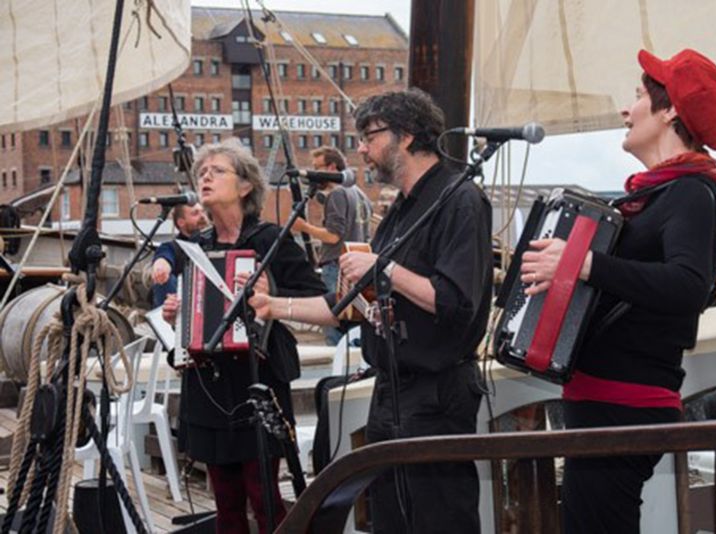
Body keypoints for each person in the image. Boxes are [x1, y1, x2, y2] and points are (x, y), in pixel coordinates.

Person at [247, 88, 493, 533]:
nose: (361, 148)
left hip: (436, 395)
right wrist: (273, 306)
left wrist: (384, 267)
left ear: (408, 135)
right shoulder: (401, 210)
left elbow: (455, 301)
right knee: (391, 520)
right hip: (391, 392)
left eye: (370, 135)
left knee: (440, 520)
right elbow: (348, 309)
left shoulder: (460, 200)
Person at [520, 49, 716, 533]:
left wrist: (581, 264)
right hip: (603, 403)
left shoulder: (690, 193)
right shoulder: (656, 192)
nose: (626, 108)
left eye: (639, 96)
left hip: (624, 406)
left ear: (670, 110)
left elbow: (689, 286)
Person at [162, 138, 327, 533]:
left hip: (258, 379)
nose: (205, 177)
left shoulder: (268, 239)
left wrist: (274, 297)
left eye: (216, 171)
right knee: (225, 502)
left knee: (263, 495)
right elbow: (196, 311)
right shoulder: (194, 246)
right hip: (209, 383)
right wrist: (177, 314)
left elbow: (319, 298)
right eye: (201, 172)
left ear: (245, 186)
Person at [291, 146, 372, 345]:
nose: (315, 173)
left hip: (337, 267)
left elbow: (334, 236)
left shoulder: (337, 194)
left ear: (332, 167)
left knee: (333, 320)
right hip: (356, 266)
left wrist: (303, 226)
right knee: (353, 325)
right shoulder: (360, 194)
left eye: (318, 168)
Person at [150, 202, 208, 306]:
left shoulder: (216, 241)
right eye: (195, 214)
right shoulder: (172, 247)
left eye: (203, 212)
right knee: (165, 280)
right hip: (185, 304)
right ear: (181, 222)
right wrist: (161, 267)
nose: (202, 216)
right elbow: (164, 256)